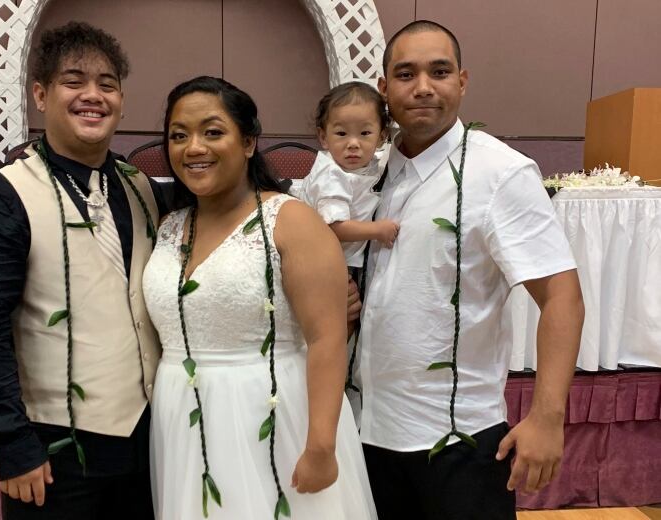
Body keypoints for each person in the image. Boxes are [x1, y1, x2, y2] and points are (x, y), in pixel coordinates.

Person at [358, 20, 585, 519]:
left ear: (462, 81)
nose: (422, 87)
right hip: (366, 434)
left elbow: (561, 296)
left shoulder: (500, 173)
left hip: (458, 440)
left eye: (438, 71)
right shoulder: (369, 174)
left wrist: (548, 417)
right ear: (383, 88)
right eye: (405, 73)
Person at [0, 22, 165, 519]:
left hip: (149, 443)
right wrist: (13, 443)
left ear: (122, 100)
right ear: (40, 95)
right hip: (52, 454)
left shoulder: (144, 190)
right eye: (74, 81)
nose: (93, 96)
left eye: (107, 84)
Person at [142, 76, 377, 519]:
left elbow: (327, 339)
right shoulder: (170, 224)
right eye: (179, 135)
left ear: (248, 142)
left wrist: (322, 445)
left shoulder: (291, 221)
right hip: (181, 418)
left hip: (271, 416)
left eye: (213, 132)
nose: (194, 147)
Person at [294, 81, 399, 262]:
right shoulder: (331, 175)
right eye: (342, 134)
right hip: (318, 260)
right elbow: (335, 226)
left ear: (381, 137)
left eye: (364, 133)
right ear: (323, 137)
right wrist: (378, 230)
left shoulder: (370, 165)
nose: (353, 144)